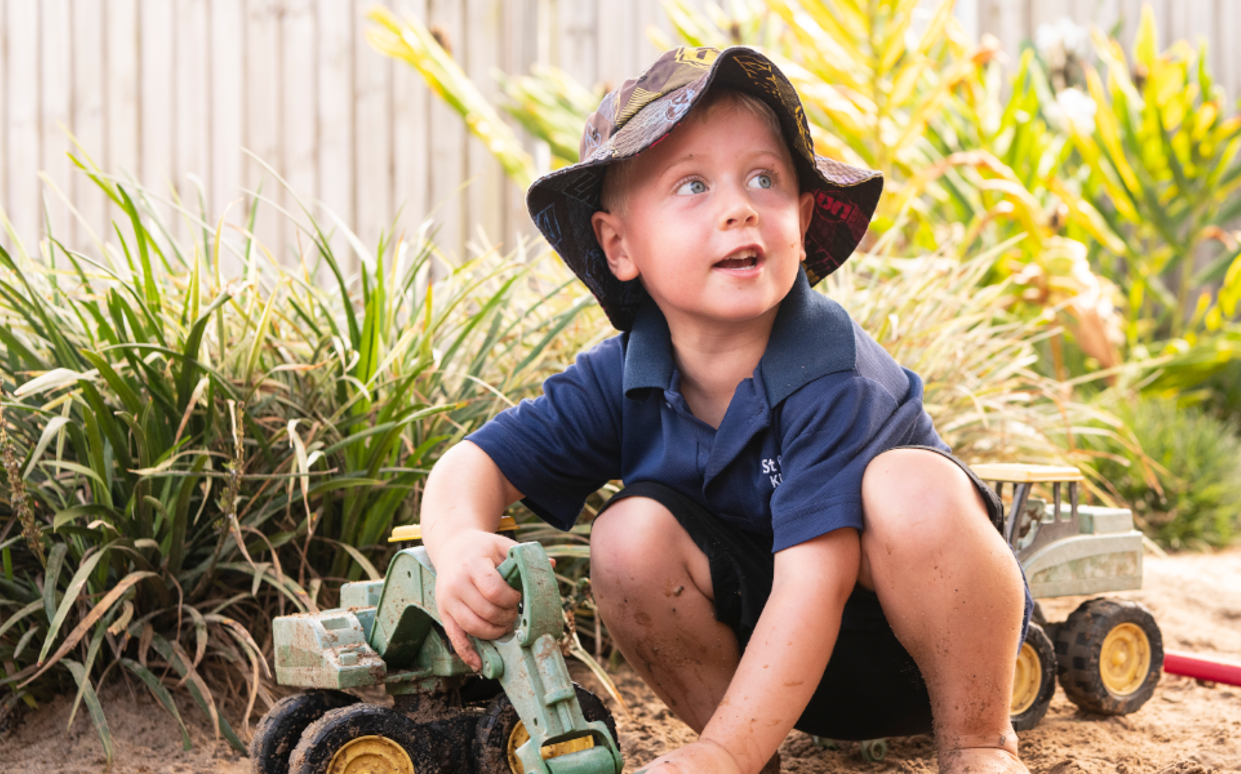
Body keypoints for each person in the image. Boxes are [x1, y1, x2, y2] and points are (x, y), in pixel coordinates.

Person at [419, 45, 1033, 774]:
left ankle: (978, 743)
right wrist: (456, 543)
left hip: (916, 657)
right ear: (618, 244)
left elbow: (815, 579)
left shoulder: (829, 369)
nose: (739, 205)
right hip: (775, 683)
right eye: (692, 185)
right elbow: (476, 463)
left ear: (803, 222)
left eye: (764, 179)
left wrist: (721, 754)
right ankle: (747, 750)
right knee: (626, 536)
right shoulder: (622, 377)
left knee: (911, 488)